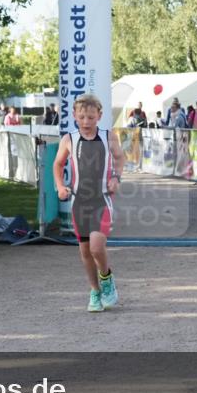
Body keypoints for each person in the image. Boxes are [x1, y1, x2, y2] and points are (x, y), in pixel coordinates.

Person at [53, 94, 126, 313]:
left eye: (91, 117)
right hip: (79, 201)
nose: (86, 122)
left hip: (101, 199)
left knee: (96, 247)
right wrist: (60, 186)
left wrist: (117, 178)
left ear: (99, 116)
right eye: (82, 117)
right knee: (85, 250)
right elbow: (58, 164)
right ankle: (95, 291)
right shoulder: (69, 139)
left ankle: (106, 278)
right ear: (74, 116)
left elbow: (120, 158)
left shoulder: (108, 136)